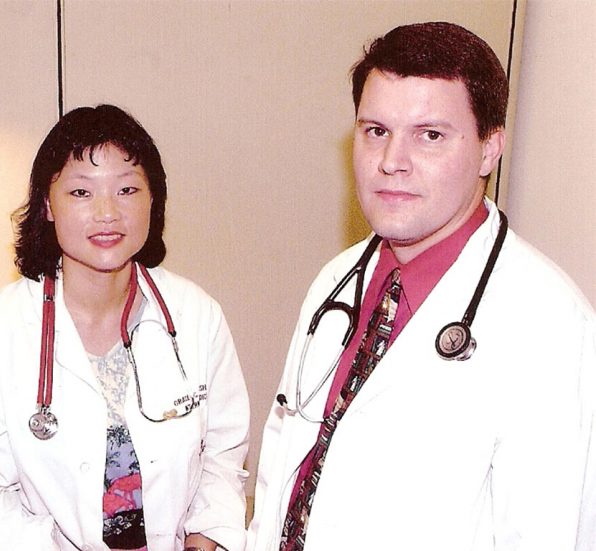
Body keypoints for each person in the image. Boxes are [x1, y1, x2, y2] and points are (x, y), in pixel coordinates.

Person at [246, 21, 596, 551]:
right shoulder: (337, 280)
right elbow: (283, 467)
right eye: (376, 131)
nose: (392, 162)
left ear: (489, 149)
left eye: (430, 135)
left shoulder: (549, 326)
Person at [0, 104, 249, 551]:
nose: (107, 212)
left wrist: (203, 541)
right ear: (47, 205)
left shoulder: (196, 316)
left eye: (127, 189)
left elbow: (222, 458)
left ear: (153, 199)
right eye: (81, 192)